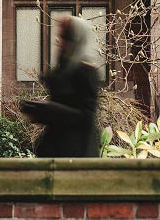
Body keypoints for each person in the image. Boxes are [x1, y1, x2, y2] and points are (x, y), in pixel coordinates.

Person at [21, 16, 101, 157]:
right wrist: (38, 111)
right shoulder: (63, 68)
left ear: (76, 39)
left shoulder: (87, 71)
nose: (59, 42)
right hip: (55, 149)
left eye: (65, 37)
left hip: (77, 151)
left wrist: (49, 109)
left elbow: (86, 117)